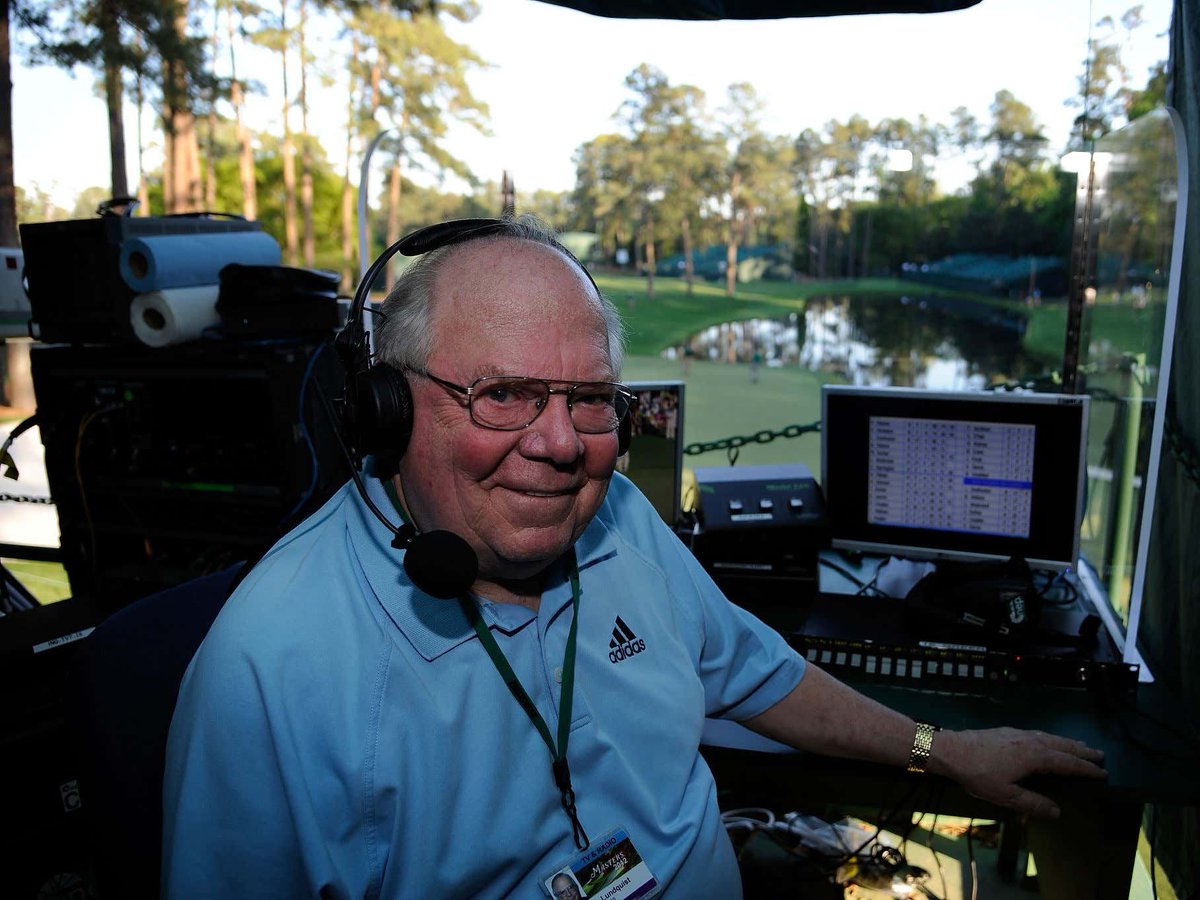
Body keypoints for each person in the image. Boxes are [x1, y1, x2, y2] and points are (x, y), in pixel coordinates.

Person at [162, 215, 1106, 899]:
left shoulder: (613, 514)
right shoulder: (270, 663)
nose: (562, 443)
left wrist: (945, 751)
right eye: (505, 394)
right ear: (387, 408)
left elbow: (754, 670)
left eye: (588, 398)